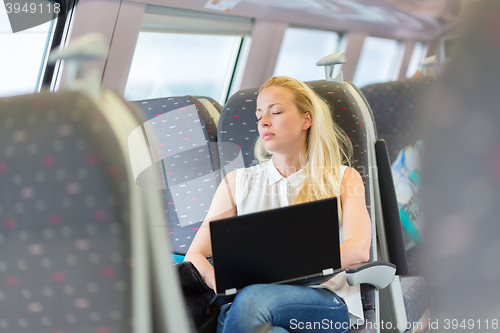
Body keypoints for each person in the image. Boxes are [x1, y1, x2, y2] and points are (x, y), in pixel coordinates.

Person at [185, 76, 372, 332]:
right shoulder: (237, 182)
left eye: (276, 112)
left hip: (322, 300)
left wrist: (277, 269)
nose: (264, 121)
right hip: (247, 303)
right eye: (259, 115)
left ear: (306, 119)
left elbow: (359, 249)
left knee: (253, 299)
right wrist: (215, 278)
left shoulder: (342, 178)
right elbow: (194, 254)